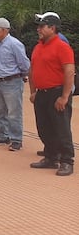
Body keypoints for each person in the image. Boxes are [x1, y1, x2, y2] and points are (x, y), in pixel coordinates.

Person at [29, 13, 74, 176]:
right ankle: (50, 157)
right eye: (38, 26)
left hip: (56, 92)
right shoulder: (38, 46)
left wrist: (64, 96)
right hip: (41, 94)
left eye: (42, 26)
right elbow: (32, 69)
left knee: (61, 129)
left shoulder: (62, 47)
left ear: (52, 28)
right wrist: (33, 91)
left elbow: (69, 72)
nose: (38, 29)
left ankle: (67, 161)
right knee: (44, 128)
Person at [0, 18, 30, 151]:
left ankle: (16, 139)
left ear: (4, 30)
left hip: (12, 81)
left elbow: (25, 64)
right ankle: (2, 135)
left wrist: (22, 75)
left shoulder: (14, 44)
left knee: (14, 112)